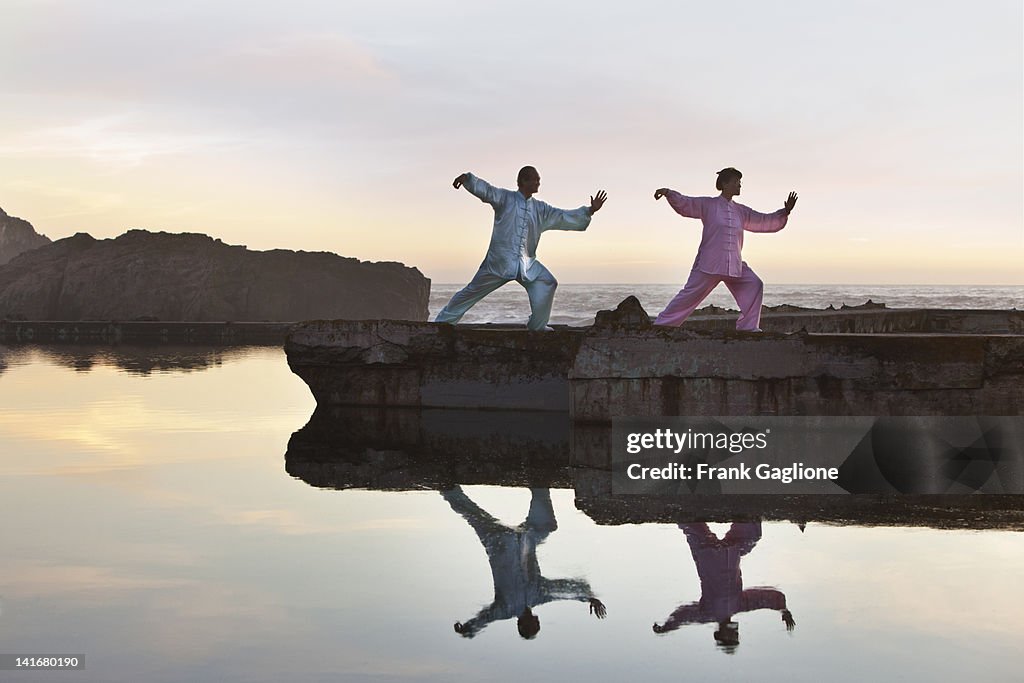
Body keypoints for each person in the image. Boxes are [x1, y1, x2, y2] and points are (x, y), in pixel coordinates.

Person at [435, 167, 607, 330]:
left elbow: (562, 216)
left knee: (548, 282)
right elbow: (486, 191)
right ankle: (441, 323)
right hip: (499, 263)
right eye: (535, 179)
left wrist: (590, 210)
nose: (539, 183)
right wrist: (467, 179)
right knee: (470, 293)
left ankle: (537, 326)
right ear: (523, 181)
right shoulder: (505, 198)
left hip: (527, 264)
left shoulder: (540, 208)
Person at [441, 486, 607, 639]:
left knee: (473, 515)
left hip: (500, 542)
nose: (537, 622)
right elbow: (562, 590)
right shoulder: (537, 597)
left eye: (533, 625)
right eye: (537, 625)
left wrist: (470, 629)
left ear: (521, 624)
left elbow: (485, 618)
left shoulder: (506, 609)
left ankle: (448, 489)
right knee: (545, 525)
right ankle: (539, 486)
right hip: (521, 539)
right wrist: (588, 597)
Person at [653, 168, 797, 331]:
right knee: (688, 296)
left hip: (734, 265)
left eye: (740, 182)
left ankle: (748, 328)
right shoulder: (708, 204)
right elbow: (687, 203)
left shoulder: (741, 211)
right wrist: (668, 193)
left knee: (754, 284)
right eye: (736, 182)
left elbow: (762, 219)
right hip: (709, 264)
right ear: (725, 184)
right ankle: (661, 326)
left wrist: (785, 212)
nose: (739, 185)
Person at [652, 522, 794, 652]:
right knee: (752, 535)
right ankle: (745, 513)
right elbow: (761, 599)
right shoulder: (737, 606)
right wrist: (782, 609)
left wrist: (667, 627)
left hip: (709, 555)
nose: (736, 633)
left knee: (694, 526)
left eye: (732, 635)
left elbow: (684, 616)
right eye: (736, 635)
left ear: (719, 633)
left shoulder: (709, 613)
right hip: (727, 553)